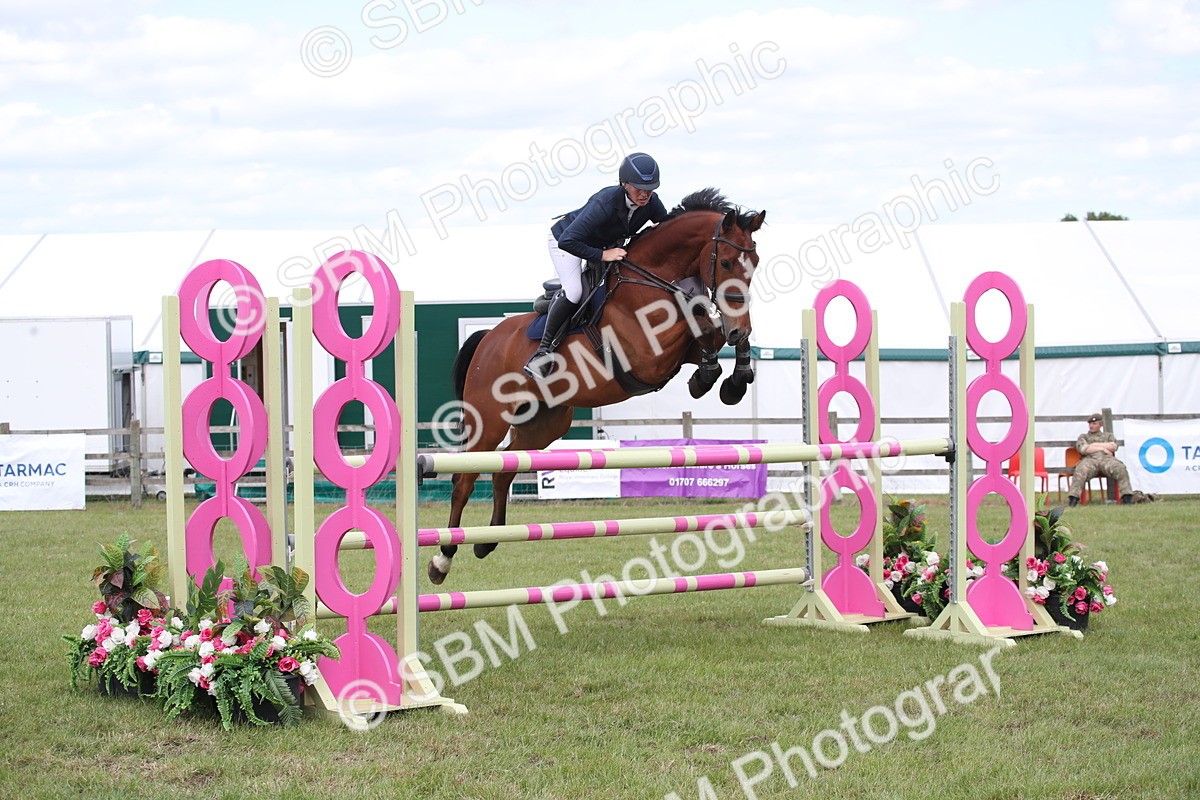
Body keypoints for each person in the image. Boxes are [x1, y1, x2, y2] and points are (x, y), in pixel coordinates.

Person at [523, 152, 670, 380]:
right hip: (566, 242)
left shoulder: (652, 202)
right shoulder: (605, 202)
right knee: (574, 292)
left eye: (650, 187)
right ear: (624, 183)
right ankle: (542, 352)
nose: (645, 194)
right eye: (639, 187)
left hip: (601, 246)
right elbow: (568, 241)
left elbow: (666, 228)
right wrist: (602, 255)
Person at [1068, 413, 1133, 507]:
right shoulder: (1083, 437)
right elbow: (1084, 449)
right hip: (1090, 459)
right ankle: (1073, 499)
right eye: (1090, 423)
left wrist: (1093, 446)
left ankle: (1127, 498)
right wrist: (1103, 448)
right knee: (1080, 470)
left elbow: (1113, 446)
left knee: (1120, 468)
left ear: (1101, 424)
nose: (1091, 426)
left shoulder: (1108, 436)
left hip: (1106, 459)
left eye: (1094, 423)